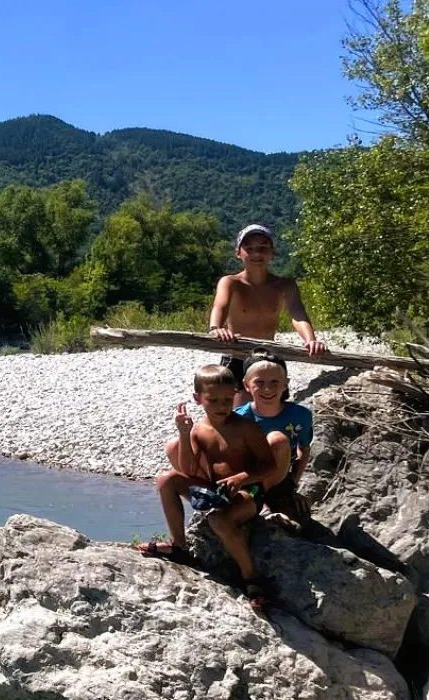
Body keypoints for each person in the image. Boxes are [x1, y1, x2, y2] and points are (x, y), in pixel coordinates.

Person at [137, 364, 286, 614]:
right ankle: (179, 546)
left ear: (236, 395)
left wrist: (240, 478)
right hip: (214, 489)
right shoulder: (198, 430)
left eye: (228, 399)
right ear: (198, 398)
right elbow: (187, 469)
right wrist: (184, 434)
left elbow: (268, 466)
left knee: (218, 520)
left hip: (247, 492)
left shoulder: (246, 428)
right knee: (166, 479)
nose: (221, 406)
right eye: (213, 400)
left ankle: (251, 578)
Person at [208, 224, 327, 406]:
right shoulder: (230, 283)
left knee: (274, 413)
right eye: (250, 248)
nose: (257, 254)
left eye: (263, 247)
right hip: (237, 356)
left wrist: (311, 340)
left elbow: (298, 314)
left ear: (273, 252)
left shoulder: (285, 286)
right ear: (238, 253)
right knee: (238, 416)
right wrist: (216, 328)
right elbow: (220, 306)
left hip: (269, 356)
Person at [235, 351, 314, 525]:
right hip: (249, 478)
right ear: (246, 385)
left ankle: (275, 498)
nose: (268, 389)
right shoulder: (238, 418)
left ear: (286, 384)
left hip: (280, 475)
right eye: (259, 382)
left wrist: (293, 485)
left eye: (275, 382)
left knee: (277, 440)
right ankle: (261, 503)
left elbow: (304, 449)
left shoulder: (301, 415)